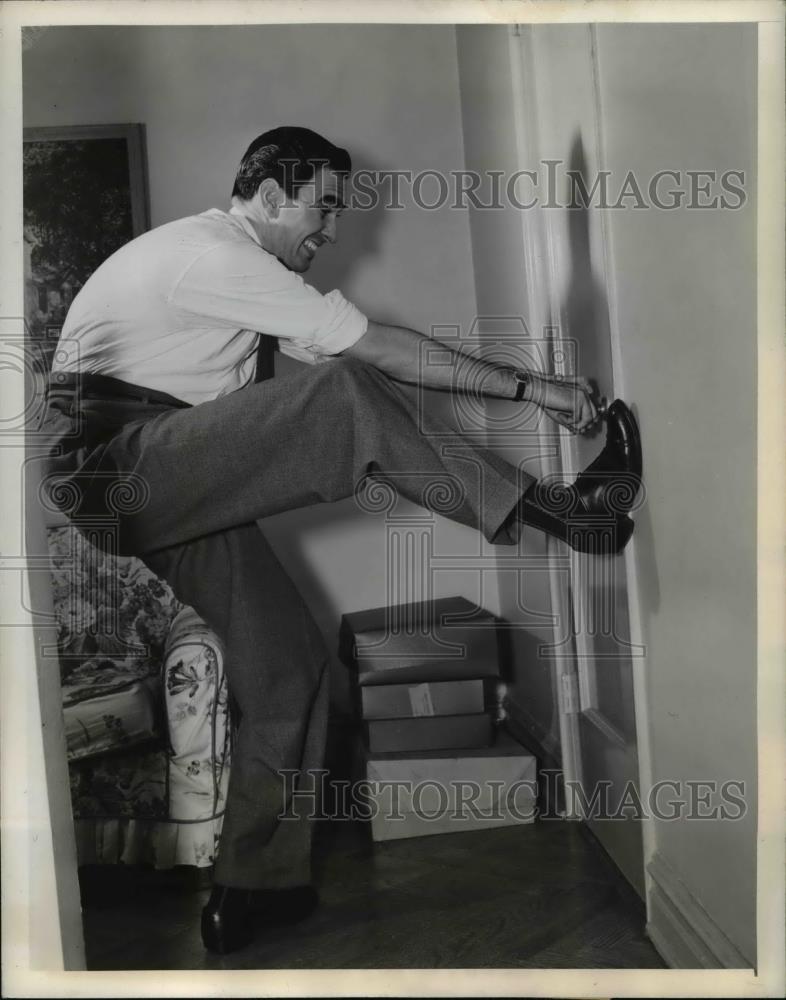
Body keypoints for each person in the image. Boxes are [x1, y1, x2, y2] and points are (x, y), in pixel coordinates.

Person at [40, 126, 640, 954]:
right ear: (272, 193)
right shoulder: (214, 253)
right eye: (322, 207)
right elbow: (369, 363)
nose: (332, 230)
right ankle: (565, 515)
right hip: (114, 465)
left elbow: (380, 366)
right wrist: (536, 390)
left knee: (288, 667)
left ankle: (256, 888)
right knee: (344, 395)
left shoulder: (250, 284)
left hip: (154, 475)